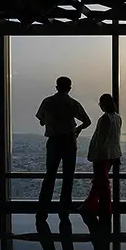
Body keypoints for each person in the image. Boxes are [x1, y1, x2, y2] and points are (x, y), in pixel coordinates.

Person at [35, 76, 91, 221]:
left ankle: (42, 210)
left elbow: (41, 121)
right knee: (68, 177)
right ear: (69, 88)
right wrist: (77, 129)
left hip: (53, 142)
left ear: (56, 87)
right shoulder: (72, 103)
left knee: (49, 176)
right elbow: (87, 121)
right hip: (69, 142)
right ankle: (64, 209)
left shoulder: (47, 102)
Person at [79, 93, 122, 250]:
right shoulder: (117, 118)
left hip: (102, 154)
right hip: (112, 154)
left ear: (103, 104)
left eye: (100, 103)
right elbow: (115, 138)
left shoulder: (104, 119)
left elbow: (100, 139)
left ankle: (103, 209)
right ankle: (88, 205)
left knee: (102, 183)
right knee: (100, 182)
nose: (99, 105)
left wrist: (94, 154)